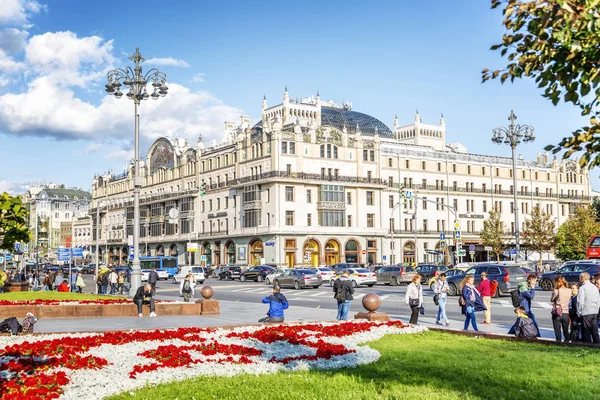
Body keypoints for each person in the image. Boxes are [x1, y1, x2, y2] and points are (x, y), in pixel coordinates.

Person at [576, 271, 600, 343]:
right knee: (594, 331)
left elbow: (580, 302)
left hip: (586, 312)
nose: (579, 280)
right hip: (595, 311)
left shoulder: (582, 288)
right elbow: (598, 300)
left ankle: (587, 346)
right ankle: (597, 345)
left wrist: (579, 312)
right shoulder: (595, 287)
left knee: (586, 331)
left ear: (583, 278)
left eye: (580, 278)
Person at [550, 276, 571, 342]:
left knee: (557, 330)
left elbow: (551, 299)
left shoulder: (556, 291)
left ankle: (558, 342)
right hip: (566, 312)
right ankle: (567, 342)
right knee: (566, 330)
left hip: (557, 312)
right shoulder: (569, 290)